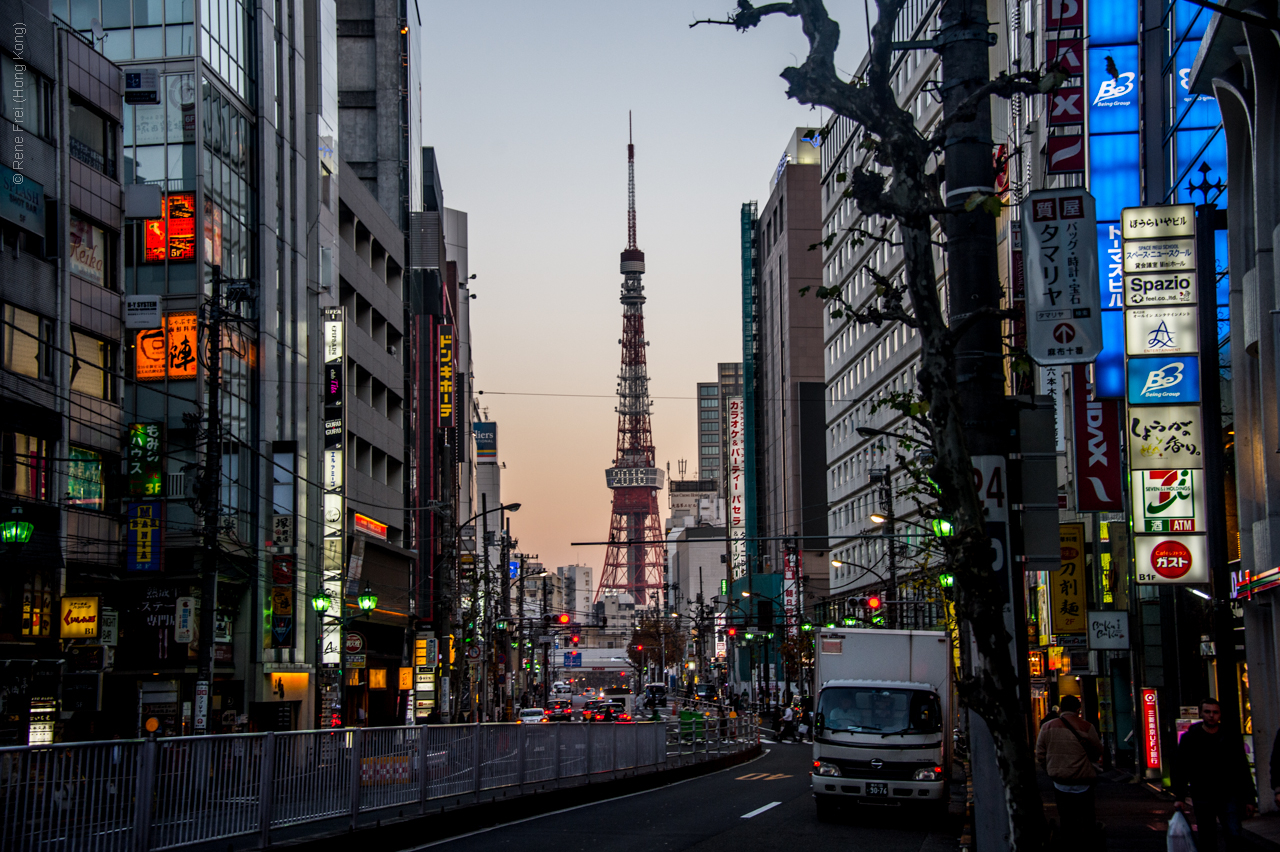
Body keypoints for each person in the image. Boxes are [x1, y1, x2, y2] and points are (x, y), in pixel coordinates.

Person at [1173, 698, 1257, 851]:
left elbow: (1241, 768)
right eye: (1207, 712)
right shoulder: (1190, 738)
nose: (1211, 716)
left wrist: (1249, 798)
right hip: (1203, 793)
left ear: (1220, 715)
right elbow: (1181, 768)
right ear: (1201, 714)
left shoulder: (1229, 737)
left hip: (1228, 792)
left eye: (1215, 712)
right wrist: (1180, 796)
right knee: (1207, 836)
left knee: (1233, 833)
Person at [1035, 694, 1102, 846]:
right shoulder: (1086, 726)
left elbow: (1040, 754)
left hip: (1060, 781)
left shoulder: (1047, 727)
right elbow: (1097, 751)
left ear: (1060, 709)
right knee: (1087, 819)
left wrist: (1051, 769)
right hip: (1083, 780)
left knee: (1066, 819)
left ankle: (1069, 844)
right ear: (1078, 709)